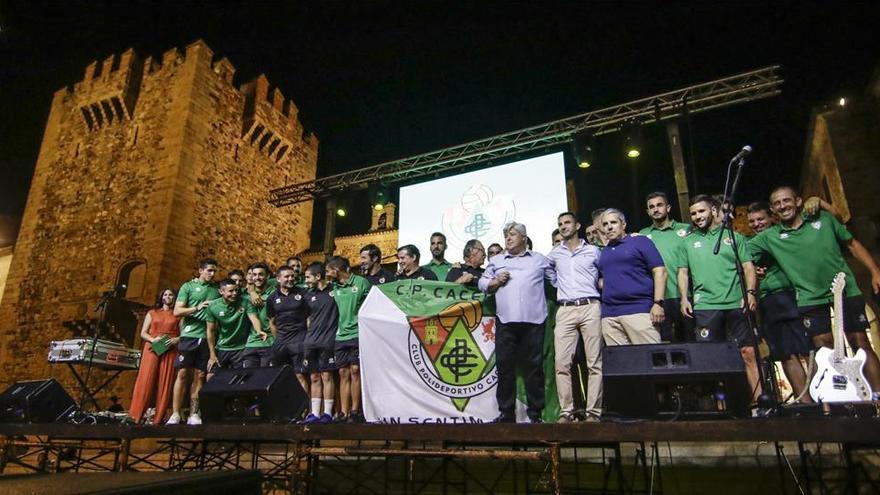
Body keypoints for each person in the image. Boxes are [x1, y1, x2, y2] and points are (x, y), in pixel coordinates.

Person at [750, 186, 880, 393]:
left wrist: (875, 271)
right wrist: (751, 269)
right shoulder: (769, 237)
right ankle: (840, 400)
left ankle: (877, 396)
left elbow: (852, 244)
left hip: (844, 289)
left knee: (860, 342)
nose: (783, 206)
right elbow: (739, 253)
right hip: (809, 298)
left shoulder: (824, 220)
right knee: (823, 349)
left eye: (786, 200)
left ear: (798, 201)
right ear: (773, 210)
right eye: (777, 203)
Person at [677, 195, 761, 400]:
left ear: (713, 211)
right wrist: (684, 298)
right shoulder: (687, 242)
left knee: (748, 353)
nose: (697, 216)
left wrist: (750, 293)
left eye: (701, 211)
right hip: (706, 305)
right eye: (694, 213)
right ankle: (722, 406)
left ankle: (759, 403)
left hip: (736, 302)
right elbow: (683, 272)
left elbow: (748, 267)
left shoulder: (734, 237)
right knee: (711, 357)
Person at [479, 222, 556, 423]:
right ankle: (506, 413)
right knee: (504, 368)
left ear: (523, 237)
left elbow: (555, 281)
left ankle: (535, 414)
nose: (509, 239)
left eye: (513, 235)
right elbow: (482, 282)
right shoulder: (497, 260)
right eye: (506, 236)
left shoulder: (539, 259)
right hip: (506, 321)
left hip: (534, 321)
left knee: (534, 369)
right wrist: (495, 282)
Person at [747, 202, 812, 402]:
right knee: (785, 353)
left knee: (810, 350)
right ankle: (806, 403)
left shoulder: (784, 235)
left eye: (761, 219)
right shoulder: (751, 245)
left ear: (772, 218)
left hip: (793, 295)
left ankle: (824, 398)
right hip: (768, 302)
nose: (757, 224)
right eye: (752, 221)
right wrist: (752, 271)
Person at [547, 212, 601, 423]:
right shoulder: (554, 254)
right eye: (560, 224)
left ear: (577, 225)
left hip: (590, 306)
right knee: (562, 363)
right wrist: (558, 285)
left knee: (594, 362)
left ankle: (593, 412)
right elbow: (548, 272)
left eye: (567, 222)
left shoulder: (593, 251)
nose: (563, 226)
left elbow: (604, 271)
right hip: (566, 308)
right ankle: (566, 411)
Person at [598, 208, 666, 345]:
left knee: (650, 360)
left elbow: (660, 271)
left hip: (639, 310)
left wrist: (658, 303)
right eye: (605, 224)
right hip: (610, 315)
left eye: (613, 222)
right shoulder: (603, 252)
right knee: (622, 364)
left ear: (623, 225)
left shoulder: (640, 241)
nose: (609, 227)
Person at [170, 258, 220, 425]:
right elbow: (177, 311)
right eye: (209, 271)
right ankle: (175, 413)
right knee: (183, 373)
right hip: (190, 336)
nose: (212, 274)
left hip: (207, 337)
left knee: (200, 375)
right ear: (200, 270)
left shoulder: (216, 289)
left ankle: (194, 413)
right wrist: (196, 308)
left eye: (214, 271)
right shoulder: (188, 287)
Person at [639, 192, 693, 342]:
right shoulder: (643, 235)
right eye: (652, 207)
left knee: (689, 342)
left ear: (668, 208)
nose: (656, 209)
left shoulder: (686, 230)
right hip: (657, 299)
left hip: (684, 296)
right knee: (663, 343)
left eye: (659, 205)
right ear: (648, 211)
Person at [326, 256, 372, 423]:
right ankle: (343, 412)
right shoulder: (334, 287)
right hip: (340, 336)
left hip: (358, 334)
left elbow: (370, 306)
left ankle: (354, 410)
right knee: (342, 372)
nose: (326, 274)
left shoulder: (361, 283)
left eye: (328, 270)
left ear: (336, 270)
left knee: (355, 371)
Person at [129, 288, 181, 425]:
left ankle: (158, 418)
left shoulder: (178, 315)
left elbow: (183, 334)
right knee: (146, 378)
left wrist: (176, 340)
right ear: (161, 297)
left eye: (171, 295)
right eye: (165, 294)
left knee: (166, 380)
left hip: (169, 348)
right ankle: (136, 415)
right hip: (152, 347)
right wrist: (153, 340)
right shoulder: (152, 313)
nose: (168, 297)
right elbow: (143, 332)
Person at [301, 262, 339, 424]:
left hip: (328, 341)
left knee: (327, 375)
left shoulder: (335, 291)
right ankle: (315, 413)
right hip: (311, 342)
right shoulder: (308, 295)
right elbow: (306, 318)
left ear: (318, 277)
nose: (306, 280)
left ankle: (328, 413)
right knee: (314, 376)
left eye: (308, 277)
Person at [268, 265, 312, 395]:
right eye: (287, 276)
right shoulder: (272, 298)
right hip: (281, 342)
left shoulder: (302, 293)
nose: (290, 279)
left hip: (299, 340)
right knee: (281, 376)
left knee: (300, 375)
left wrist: (307, 338)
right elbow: (271, 321)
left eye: (292, 276)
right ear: (278, 279)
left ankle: (304, 408)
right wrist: (278, 339)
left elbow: (309, 317)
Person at [205, 278, 262, 375]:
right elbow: (210, 331)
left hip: (241, 348)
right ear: (221, 291)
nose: (235, 293)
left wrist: (258, 330)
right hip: (222, 347)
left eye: (236, 290)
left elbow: (254, 318)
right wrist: (212, 354)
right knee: (212, 376)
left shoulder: (245, 302)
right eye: (231, 291)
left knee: (241, 378)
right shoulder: (213, 306)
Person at [242, 262, 276, 368]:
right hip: (251, 343)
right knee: (247, 380)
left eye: (261, 274)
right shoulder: (244, 295)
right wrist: (251, 292)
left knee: (266, 379)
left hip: (269, 342)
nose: (257, 277)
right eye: (254, 274)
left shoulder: (275, 293)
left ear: (268, 276)